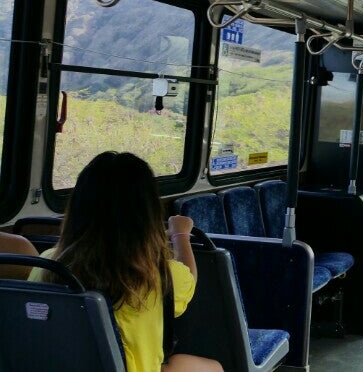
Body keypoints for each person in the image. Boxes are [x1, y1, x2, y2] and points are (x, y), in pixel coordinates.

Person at [30, 152, 222, 372]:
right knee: (212, 367)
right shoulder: (159, 275)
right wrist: (180, 235)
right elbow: (190, 277)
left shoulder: (48, 263)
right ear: (147, 215)